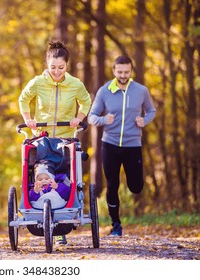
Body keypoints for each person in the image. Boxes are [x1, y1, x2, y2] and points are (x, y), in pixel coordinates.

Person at [19, 40, 92, 245]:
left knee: (66, 176)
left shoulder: (75, 84)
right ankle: (40, 209)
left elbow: (86, 101)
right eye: (52, 67)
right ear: (47, 64)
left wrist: (79, 117)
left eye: (61, 67)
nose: (56, 72)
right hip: (42, 137)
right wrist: (28, 119)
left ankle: (61, 226)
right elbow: (23, 99)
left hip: (65, 137)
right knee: (43, 172)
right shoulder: (38, 82)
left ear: (67, 66)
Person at [87, 55, 156, 237]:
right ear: (114, 71)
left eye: (126, 72)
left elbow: (151, 110)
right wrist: (103, 120)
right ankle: (115, 224)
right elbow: (91, 116)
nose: (123, 75)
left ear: (131, 71)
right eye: (120, 72)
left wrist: (144, 120)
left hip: (133, 145)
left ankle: (131, 185)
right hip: (110, 144)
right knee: (112, 184)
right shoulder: (105, 91)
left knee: (136, 187)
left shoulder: (141, 91)